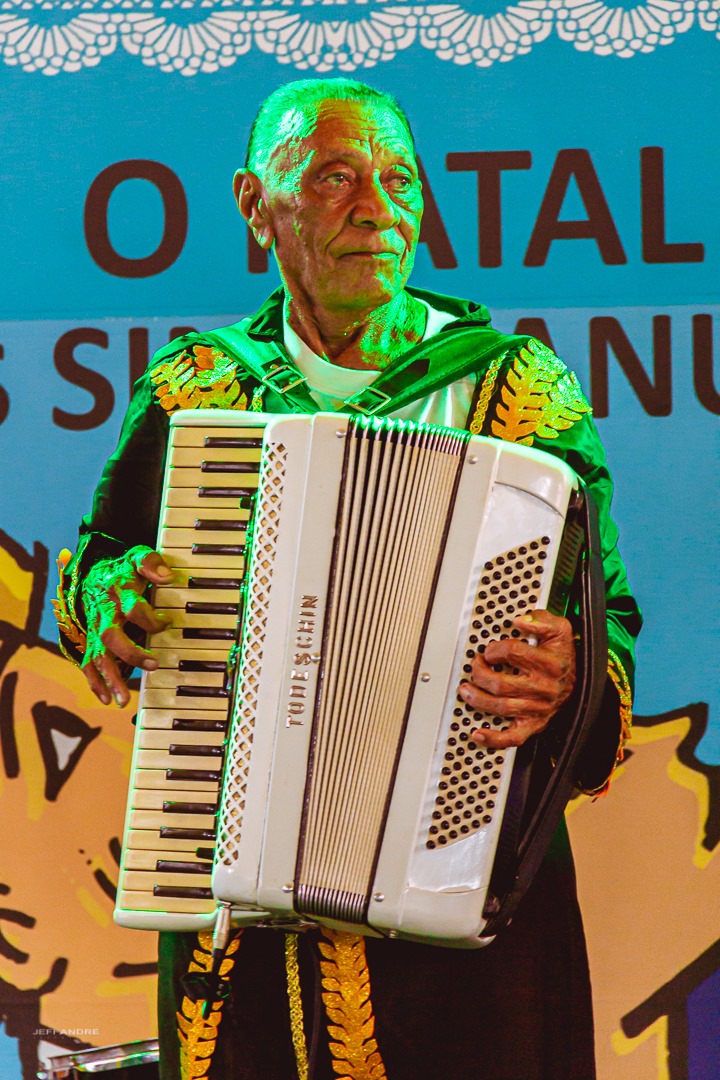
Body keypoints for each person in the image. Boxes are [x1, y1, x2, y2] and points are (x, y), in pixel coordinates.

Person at [55, 78, 641, 1080]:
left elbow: (608, 625)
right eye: (334, 177)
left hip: (463, 901)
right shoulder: (200, 388)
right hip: (238, 915)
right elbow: (97, 565)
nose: (377, 207)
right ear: (255, 205)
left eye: (398, 179)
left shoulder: (516, 390)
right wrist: (109, 595)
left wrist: (572, 676)